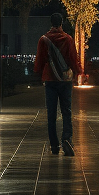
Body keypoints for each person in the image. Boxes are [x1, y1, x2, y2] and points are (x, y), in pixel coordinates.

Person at [34, 12, 83, 156]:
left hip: (50, 79)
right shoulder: (68, 39)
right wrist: (78, 71)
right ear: (62, 23)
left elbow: (40, 60)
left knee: (51, 113)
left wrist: (38, 73)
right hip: (65, 80)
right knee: (66, 111)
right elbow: (72, 58)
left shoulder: (44, 40)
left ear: (51, 22)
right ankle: (67, 139)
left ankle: (54, 145)